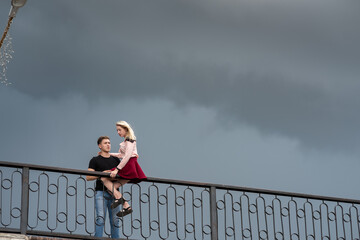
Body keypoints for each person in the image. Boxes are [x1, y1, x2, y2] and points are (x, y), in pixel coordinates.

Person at [102, 120, 147, 217]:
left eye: (119, 130)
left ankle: (120, 201)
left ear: (126, 129)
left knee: (104, 177)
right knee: (111, 189)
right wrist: (108, 154)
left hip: (129, 164)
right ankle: (126, 206)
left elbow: (127, 156)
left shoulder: (129, 140)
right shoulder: (126, 141)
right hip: (129, 164)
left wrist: (117, 169)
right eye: (117, 130)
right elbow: (121, 155)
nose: (118, 132)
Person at [86, 136, 121, 239]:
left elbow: (121, 175)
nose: (108, 144)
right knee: (100, 219)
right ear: (100, 146)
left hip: (114, 193)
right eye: (105, 143)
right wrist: (102, 174)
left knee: (115, 220)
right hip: (101, 192)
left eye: (109, 143)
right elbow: (88, 177)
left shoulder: (116, 160)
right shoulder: (95, 160)